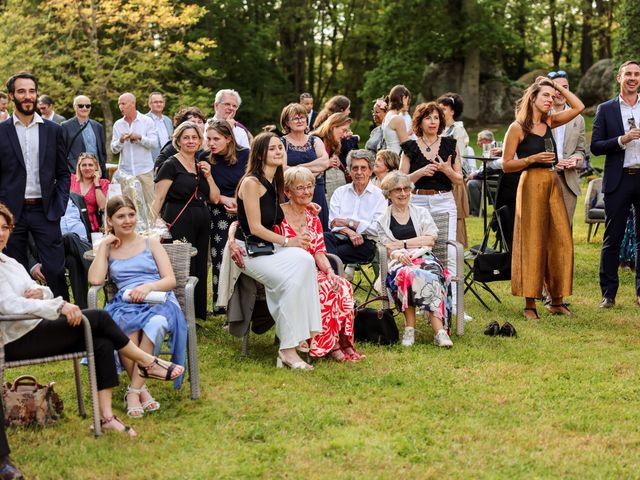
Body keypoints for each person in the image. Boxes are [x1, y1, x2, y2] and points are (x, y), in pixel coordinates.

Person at [0, 202, 184, 437]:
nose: (1, 233)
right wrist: (59, 304)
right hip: (13, 339)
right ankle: (147, 362)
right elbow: (8, 305)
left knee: (101, 340)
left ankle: (105, 416)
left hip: (34, 326)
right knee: (99, 316)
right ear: (110, 221)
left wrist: (42, 294)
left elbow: (38, 290)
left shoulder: (11, 263)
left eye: (5, 227)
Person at [229, 166, 363, 362]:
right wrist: (232, 241)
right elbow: (240, 224)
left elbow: (318, 251)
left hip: (311, 268)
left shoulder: (312, 217)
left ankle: (341, 342)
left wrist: (330, 272)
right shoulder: (276, 215)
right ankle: (326, 346)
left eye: (309, 186)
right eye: (300, 188)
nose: (306, 192)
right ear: (287, 192)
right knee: (324, 287)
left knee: (340, 285)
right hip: (286, 271)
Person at [219, 132, 322, 370]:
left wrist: (307, 204)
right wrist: (289, 241)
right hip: (247, 251)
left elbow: (280, 208)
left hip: (268, 247)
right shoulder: (251, 183)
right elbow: (254, 226)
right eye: (273, 148)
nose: (279, 151)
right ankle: (288, 350)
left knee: (306, 261)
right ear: (260, 153)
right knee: (289, 283)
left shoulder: (276, 180)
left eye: (280, 148)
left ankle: (303, 335)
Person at [88, 195, 188, 418]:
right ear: (110, 220)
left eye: (131, 215)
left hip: (157, 299)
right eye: (120, 216)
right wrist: (104, 245)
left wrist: (148, 287)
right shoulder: (109, 247)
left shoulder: (150, 242)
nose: (127, 220)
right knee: (124, 331)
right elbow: (95, 280)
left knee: (157, 325)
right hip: (126, 304)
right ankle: (142, 390)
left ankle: (133, 392)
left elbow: (170, 280)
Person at [502, 77, 584, 319]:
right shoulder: (517, 127)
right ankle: (530, 304)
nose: (551, 100)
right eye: (545, 96)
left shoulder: (550, 121)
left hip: (553, 183)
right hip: (530, 184)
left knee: (560, 239)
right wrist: (531, 159)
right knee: (533, 241)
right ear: (533, 99)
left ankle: (556, 300)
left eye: (552, 95)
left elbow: (579, 108)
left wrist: (556, 86)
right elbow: (506, 165)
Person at [0, 71, 70, 300]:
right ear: (11, 96)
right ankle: (26, 327)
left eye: (31, 91)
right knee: (15, 272)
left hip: (46, 210)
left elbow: (63, 172)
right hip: (12, 213)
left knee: (56, 270)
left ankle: (64, 323)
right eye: (21, 91)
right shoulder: (2, 132)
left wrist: (59, 204)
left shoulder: (53, 130)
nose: (27, 96)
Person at [399, 102, 467, 320]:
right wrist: (419, 172)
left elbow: (459, 180)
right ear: (420, 121)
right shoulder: (410, 146)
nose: (433, 122)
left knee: (447, 251)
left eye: (436, 118)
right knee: (419, 251)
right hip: (417, 200)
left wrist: (447, 169)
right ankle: (423, 301)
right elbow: (400, 181)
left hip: (443, 201)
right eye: (428, 117)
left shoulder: (450, 144)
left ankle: (454, 304)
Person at [151, 122, 220, 320]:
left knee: (199, 264)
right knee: (181, 265)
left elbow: (214, 198)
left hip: (201, 220)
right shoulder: (170, 165)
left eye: (195, 138)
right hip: (178, 218)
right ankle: (178, 311)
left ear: (200, 141)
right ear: (178, 141)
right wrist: (151, 226)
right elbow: (158, 198)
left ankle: (197, 313)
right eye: (186, 137)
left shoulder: (201, 166)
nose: (191, 141)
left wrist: (209, 176)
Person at [377, 171, 453, 348]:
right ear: (389, 193)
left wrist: (402, 243)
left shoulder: (421, 212)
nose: (403, 193)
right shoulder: (383, 219)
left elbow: (430, 239)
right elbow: (387, 246)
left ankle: (439, 331)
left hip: (424, 257)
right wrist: (398, 253)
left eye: (406, 189)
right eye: (397, 190)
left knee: (431, 275)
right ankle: (410, 328)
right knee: (406, 274)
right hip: (399, 261)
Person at [592, 60, 640, 308]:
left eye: (636, 74)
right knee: (612, 238)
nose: (633, 78)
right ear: (618, 78)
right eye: (628, 74)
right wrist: (622, 139)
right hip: (618, 180)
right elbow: (596, 146)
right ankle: (608, 294)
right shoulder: (606, 109)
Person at [206, 119, 250, 306]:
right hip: (218, 215)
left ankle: (244, 304)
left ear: (229, 139)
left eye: (216, 139)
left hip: (245, 212)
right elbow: (202, 191)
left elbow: (254, 183)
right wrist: (223, 199)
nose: (211, 143)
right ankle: (221, 304)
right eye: (208, 139)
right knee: (221, 259)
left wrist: (241, 205)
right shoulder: (205, 158)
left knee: (244, 257)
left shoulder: (246, 155)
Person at [29, 194, 93, 309]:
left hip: (78, 246)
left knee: (73, 260)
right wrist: (32, 264)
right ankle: (93, 266)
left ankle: (83, 309)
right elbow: (25, 235)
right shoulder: (37, 202)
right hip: (50, 249)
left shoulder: (77, 198)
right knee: (70, 237)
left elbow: (86, 223)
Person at [324, 149, 387, 266]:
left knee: (328, 253)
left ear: (370, 170)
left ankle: (332, 279)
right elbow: (332, 223)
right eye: (355, 168)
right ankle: (334, 278)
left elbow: (377, 228)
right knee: (323, 237)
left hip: (366, 242)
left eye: (363, 168)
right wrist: (350, 232)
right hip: (339, 237)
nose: (359, 172)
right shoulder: (340, 192)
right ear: (349, 171)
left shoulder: (380, 196)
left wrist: (349, 223)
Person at [280, 103, 330, 230]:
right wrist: (312, 170)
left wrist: (298, 168)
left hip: (316, 190)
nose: (300, 120)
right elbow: (283, 169)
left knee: (318, 231)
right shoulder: (282, 143)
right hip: (292, 193)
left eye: (302, 117)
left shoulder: (315, 140)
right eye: (295, 118)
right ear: (286, 123)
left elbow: (325, 162)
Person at [547, 71, 587, 225]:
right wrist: (552, 162)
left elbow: (581, 149)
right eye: (557, 87)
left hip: (568, 181)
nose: (560, 92)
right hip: (546, 176)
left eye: (565, 87)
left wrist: (575, 159)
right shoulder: (540, 115)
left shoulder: (579, 119)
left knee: (564, 230)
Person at [110, 92, 159, 206]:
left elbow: (154, 143)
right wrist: (121, 141)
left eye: (123, 103)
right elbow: (113, 149)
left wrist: (140, 138)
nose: (120, 107)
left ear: (133, 104)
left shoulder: (147, 121)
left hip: (145, 171)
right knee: (127, 206)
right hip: (125, 173)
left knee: (150, 206)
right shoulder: (118, 124)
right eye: (119, 104)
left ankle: (151, 225)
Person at [437, 92, 470, 247]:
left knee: (454, 216)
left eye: (444, 109)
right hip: (439, 178)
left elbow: (461, 157)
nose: (441, 111)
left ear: (452, 111)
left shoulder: (457, 130)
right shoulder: (439, 129)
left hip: (453, 178)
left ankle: (456, 249)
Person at [61, 95, 108, 176]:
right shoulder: (65, 126)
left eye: (88, 106)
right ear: (74, 107)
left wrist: (102, 170)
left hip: (96, 174)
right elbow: (61, 152)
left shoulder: (97, 126)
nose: (84, 108)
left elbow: (102, 152)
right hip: (76, 173)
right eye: (81, 106)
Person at [311, 112, 353, 202]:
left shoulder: (332, 143)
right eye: (344, 130)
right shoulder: (313, 140)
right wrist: (327, 163)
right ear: (333, 127)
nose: (345, 135)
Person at [154, 106, 207, 173]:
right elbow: (157, 169)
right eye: (193, 122)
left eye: (200, 122)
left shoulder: (207, 145)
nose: (197, 125)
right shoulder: (172, 147)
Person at [70, 152, 109, 232]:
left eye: (90, 165)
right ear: (79, 167)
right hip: (71, 221)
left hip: (90, 224)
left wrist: (97, 184)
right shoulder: (71, 179)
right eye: (84, 165)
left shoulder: (104, 183)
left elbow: (102, 207)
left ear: (96, 167)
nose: (87, 168)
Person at [382, 85, 412, 154]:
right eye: (408, 100)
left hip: (390, 157)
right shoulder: (397, 119)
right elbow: (406, 145)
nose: (408, 104)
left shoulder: (388, 115)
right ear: (404, 98)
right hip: (397, 158)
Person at [146, 92, 174, 161]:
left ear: (164, 104)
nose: (159, 104)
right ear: (150, 104)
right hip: (151, 161)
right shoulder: (144, 120)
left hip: (168, 159)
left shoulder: (168, 121)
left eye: (161, 102)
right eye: (155, 102)